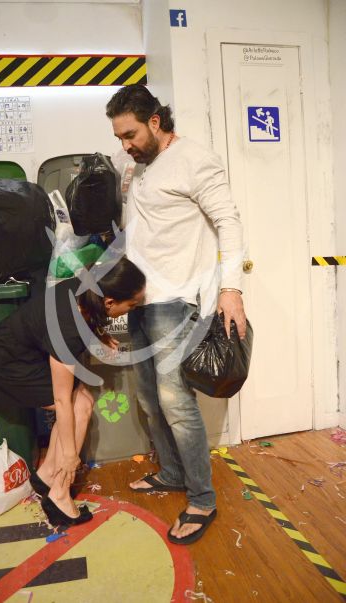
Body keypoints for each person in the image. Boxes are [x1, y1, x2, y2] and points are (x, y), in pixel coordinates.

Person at [106, 84, 246, 545]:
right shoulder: (139, 166)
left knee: (175, 403)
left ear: (154, 121)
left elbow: (228, 221)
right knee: (147, 398)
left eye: (129, 134)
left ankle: (202, 498)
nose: (124, 145)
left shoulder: (195, 159)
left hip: (178, 299)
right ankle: (169, 472)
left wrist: (231, 289)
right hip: (142, 300)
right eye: (118, 137)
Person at [0, 258, 145, 527]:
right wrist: (70, 455)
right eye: (132, 305)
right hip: (8, 363)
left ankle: (44, 478)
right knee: (78, 406)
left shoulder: (88, 287)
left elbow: (89, 315)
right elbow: (61, 399)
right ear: (110, 302)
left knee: (83, 401)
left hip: (23, 352)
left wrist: (100, 334)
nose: (131, 310)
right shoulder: (66, 329)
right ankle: (58, 493)